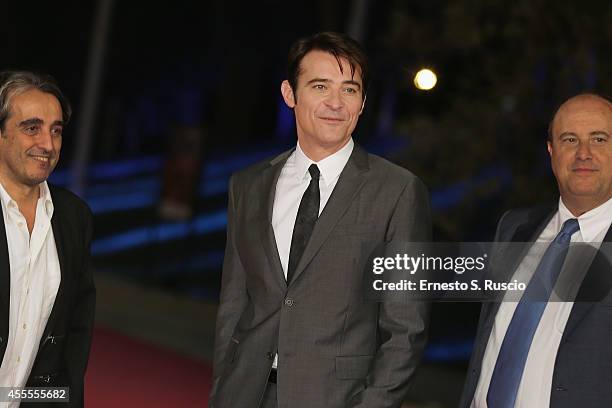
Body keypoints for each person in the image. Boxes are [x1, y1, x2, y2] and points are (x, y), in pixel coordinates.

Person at [209, 32, 432, 408]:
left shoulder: (398, 192)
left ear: (362, 103)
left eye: (349, 90)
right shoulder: (248, 186)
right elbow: (233, 303)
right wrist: (221, 391)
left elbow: (406, 329)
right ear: (289, 94)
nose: (335, 103)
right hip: (243, 393)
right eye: (320, 86)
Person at [460, 93, 612, 407]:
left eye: (599, 139)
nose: (584, 153)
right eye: (570, 139)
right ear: (551, 151)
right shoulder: (514, 228)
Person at [0, 71, 95, 407]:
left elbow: (74, 339)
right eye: (31, 128)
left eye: (56, 130)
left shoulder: (74, 217)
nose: (48, 144)